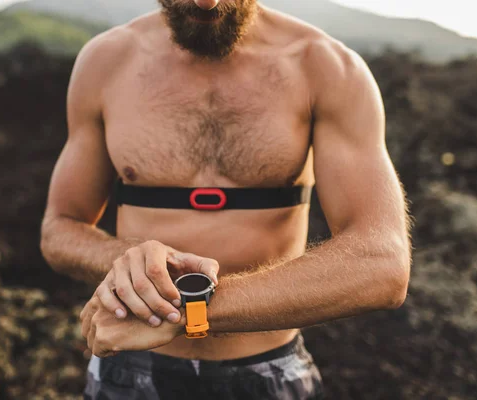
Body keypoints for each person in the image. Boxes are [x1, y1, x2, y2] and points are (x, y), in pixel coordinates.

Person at [40, 0, 412, 398]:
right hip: (130, 369)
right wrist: (126, 260)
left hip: (267, 370)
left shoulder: (325, 66)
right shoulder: (105, 61)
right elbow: (60, 228)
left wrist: (187, 309)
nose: (207, 2)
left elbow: (382, 263)